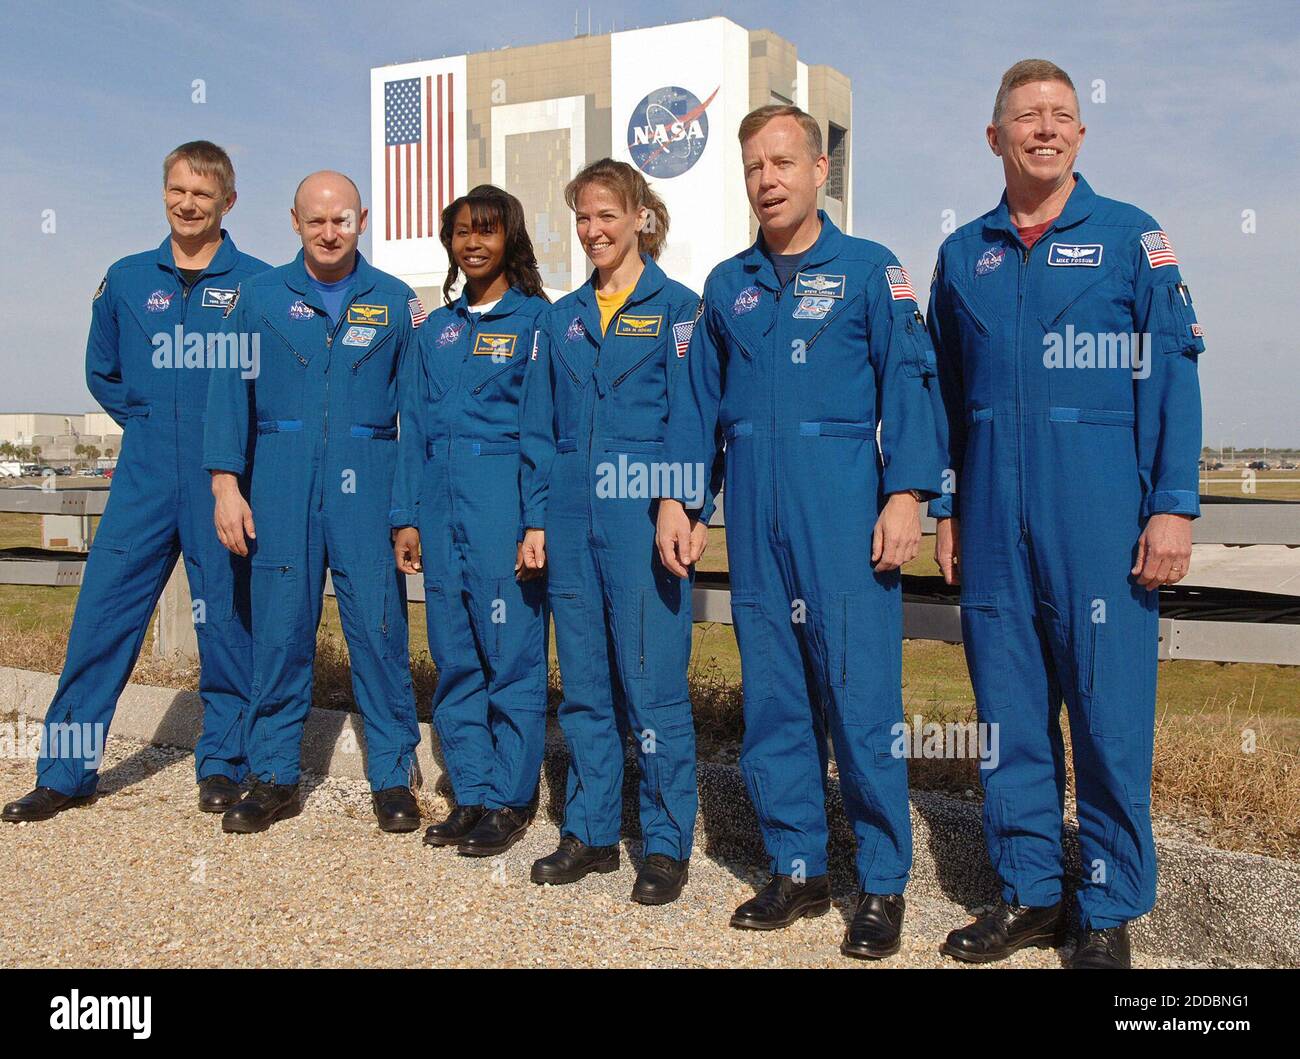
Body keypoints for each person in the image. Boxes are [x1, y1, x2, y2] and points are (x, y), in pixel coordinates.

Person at [927, 60, 1204, 969]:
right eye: (1025, 116)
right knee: (1007, 718)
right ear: (995, 136)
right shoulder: (962, 254)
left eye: (1060, 116)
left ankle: (1110, 905)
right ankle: (1032, 893)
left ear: (1080, 135)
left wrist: (1171, 507)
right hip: (995, 520)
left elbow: (1170, 376)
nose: (1044, 128)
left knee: (1109, 716)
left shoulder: (1132, 238)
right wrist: (951, 506)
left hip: (1101, 518)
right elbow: (946, 397)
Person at [658, 106, 944, 958]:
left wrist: (909, 493)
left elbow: (912, 383)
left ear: (821, 170)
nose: (768, 179)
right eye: (754, 167)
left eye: (783, 162)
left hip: (844, 512)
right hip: (753, 512)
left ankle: (882, 883)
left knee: (861, 702)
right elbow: (695, 408)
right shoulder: (726, 285)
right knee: (776, 702)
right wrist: (679, 499)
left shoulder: (869, 269)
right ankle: (798, 867)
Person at [3, 142, 267, 824]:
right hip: (145, 474)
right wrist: (154, 423)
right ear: (164, 192)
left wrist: (222, 447)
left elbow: (269, 386)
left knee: (228, 623)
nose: (187, 203)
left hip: (223, 479)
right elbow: (103, 372)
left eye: (202, 195)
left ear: (227, 203)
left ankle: (224, 764)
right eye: (177, 189)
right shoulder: (124, 280)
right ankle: (64, 771)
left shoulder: (260, 286)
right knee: (101, 619)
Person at [519, 159, 716, 905]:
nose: (595, 229)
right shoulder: (558, 318)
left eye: (608, 214)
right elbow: (537, 427)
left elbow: (695, 418)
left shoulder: (680, 310)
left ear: (641, 216)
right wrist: (537, 516)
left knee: (653, 685)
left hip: (643, 517)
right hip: (571, 514)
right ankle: (592, 830)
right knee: (587, 687)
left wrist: (681, 500)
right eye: (583, 217)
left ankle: (665, 841)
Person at [204, 171, 423, 835]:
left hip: (369, 482)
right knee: (279, 631)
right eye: (316, 221)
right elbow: (225, 395)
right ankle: (272, 774)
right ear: (295, 221)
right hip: (280, 482)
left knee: (380, 632)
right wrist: (224, 484)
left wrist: (407, 510)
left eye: (342, 220)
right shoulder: (258, 297)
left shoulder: (395, 303)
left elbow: (415, 413)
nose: (330, 233)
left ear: (363, 219)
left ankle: (392, 775)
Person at [392, 185, 550, 856]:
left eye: (485, 231)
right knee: (455, 656)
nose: (472, 243)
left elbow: (544, 431)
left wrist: (533, 519)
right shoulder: (439, 329)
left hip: (501, 505)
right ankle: (474, 791)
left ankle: (513, 797)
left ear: (508, 237)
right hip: (439, 501)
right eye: (461, 232)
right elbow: (414, 427)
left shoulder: (537, 322)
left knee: (509, 655)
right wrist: (407, 516)